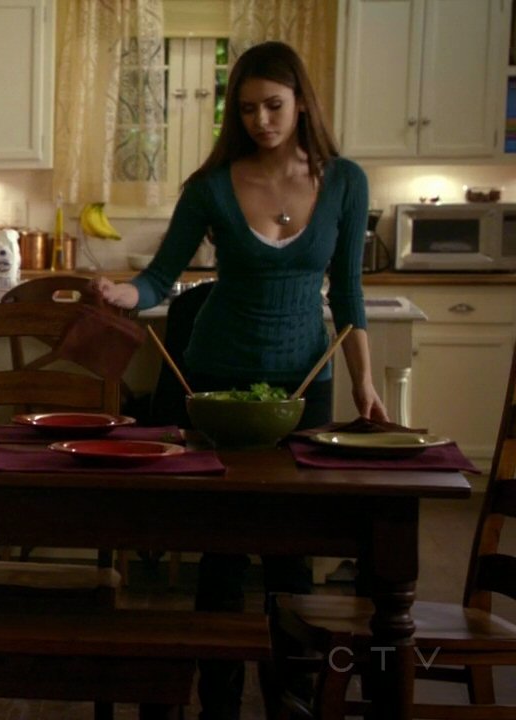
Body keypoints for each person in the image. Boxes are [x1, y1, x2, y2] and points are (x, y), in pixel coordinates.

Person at [94, 41, 389, 720]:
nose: (261, 120)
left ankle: (294, 697)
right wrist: (122, 295)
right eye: (249, 108)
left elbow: (348, 294)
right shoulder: (211, 186)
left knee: (293, 552)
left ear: (302, 102)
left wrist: (365, 385)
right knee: (222, 549)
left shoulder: (345, 181)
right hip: (218, 378)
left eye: (274, 105)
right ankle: (218, 704)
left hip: (304, 384)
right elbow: (158, 278)